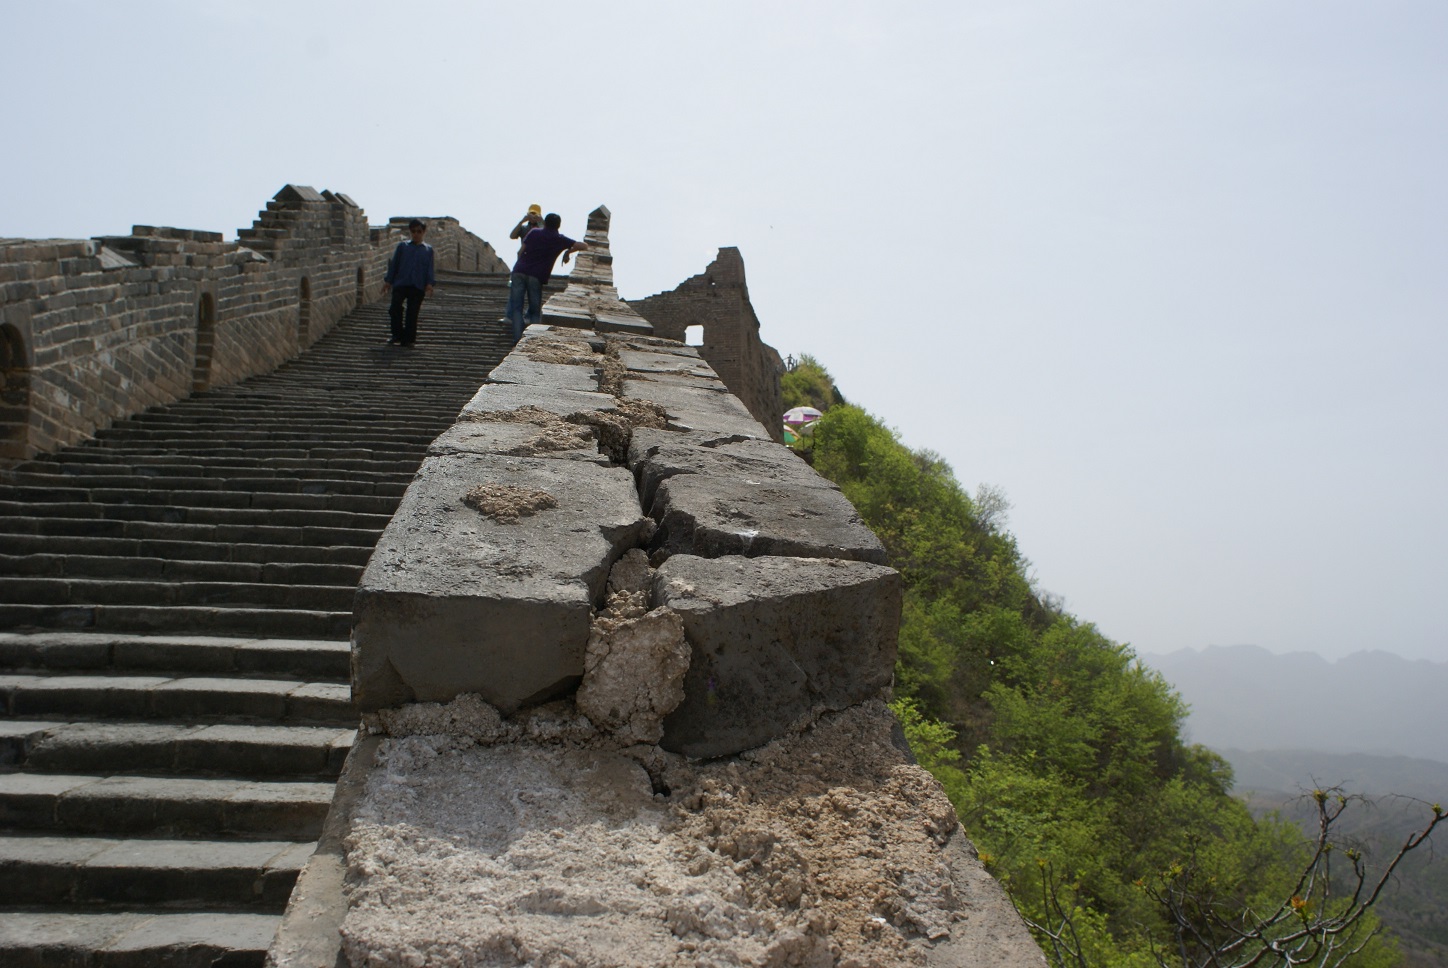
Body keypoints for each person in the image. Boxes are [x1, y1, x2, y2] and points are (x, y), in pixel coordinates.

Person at [504, 213, 587, 343]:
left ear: (545, 223)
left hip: (519, 271)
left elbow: (520, 251)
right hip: (536, 276)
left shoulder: (534, 232)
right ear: (559, 225)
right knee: (535, 310)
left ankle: (517, 338)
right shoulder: (559, 239)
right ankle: (532, 339)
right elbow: (584, 246)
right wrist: (568, 251)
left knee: (516, 308)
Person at [382, 219, 435, 346]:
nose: (416, 234)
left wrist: (429, 283)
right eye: (413, 231)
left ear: (423, 232)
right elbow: (394, 265)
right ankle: (397, 335)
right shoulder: (402, 247)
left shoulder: (428, 250)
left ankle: (409, 339)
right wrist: (388, 281)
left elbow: (429, 268)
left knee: (412, 312)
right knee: (394, 308)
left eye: (419, 231)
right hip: (401, 283)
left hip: (417, 285)